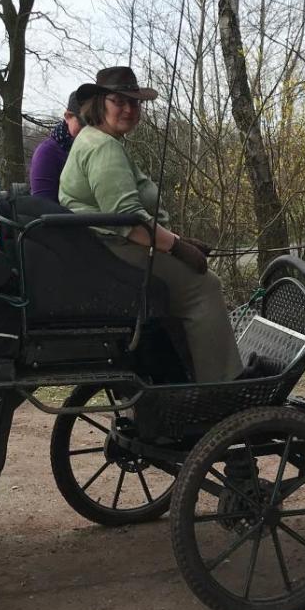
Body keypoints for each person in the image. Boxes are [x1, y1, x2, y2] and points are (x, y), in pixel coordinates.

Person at [58, 66, 241, 383]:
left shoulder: (91, 139)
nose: (129, 109)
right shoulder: (104, 147)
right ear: (100, 103)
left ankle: (184, 374)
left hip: (101, 249)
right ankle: (223, 383)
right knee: (204, 287)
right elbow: (128, 220)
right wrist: (177, 247)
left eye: (135, 102)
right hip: (116, 249)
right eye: (119, 101)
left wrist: (177, 239)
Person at [28, 91, 82, 200]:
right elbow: (42, 203)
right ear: (68, 117)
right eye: (83, 122)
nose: (88, 128)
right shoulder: (47, 153)